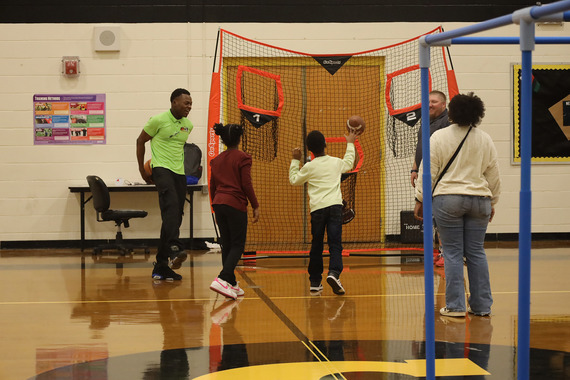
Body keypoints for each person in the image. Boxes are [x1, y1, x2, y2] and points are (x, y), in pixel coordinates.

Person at [414, 92, 501, 317]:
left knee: (452, 253)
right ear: (477, 113)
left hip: (448, 199)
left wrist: (420, 199)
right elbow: (494, 175)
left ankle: (455, 306)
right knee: (476, 252)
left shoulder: (439, 137)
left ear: (451, 112)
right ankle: (482, 306)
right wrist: (492, 201)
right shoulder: (485, 138)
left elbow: (427, 173)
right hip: (480, 199)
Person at [289, 129, 357, 295]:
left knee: (316, 244)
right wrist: (350, 142)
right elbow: (349, 162)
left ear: (309, 149)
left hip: (317, 210)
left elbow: (294, 180)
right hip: (334, 207)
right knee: (335, 243)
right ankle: (334, 273)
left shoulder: (309, 166)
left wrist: (294, 160)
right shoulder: (335, 162)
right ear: (325, 144)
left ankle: (315, 282)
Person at [136, 88, 193, 281]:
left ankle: (161, 266)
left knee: (176, 215)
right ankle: (175, 248)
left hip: (179, 172)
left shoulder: (188, 125)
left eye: (191, 103)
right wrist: (142, 170)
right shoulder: (158, 120)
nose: (189, 106)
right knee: (170, 208)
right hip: (160, 169)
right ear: (174, 102)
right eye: (186, 103)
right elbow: (140, 141)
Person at [209, 123, 260, 300]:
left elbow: (212, 186)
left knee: (227, 245)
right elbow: (246, 184)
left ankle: (231, 282)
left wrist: (214, 207)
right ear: (239, 139)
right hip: (235, 204)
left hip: (219, 204)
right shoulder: (243, 157)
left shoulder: (215, 160)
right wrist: (255, 205)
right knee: (238, 244)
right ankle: (223, 278)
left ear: (223, 139)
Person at [411, 90, 451, 267]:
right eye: (428, 101)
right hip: (425, 175)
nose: (430, 104)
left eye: (434, 101)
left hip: (440, 178)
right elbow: (419, 146)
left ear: (443, 104)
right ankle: (441, 251)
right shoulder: (425, 121)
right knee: (434, 217)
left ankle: (446, 253)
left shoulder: (448, 123)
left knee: (442, 217)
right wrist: (414, 169)